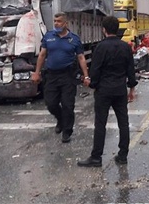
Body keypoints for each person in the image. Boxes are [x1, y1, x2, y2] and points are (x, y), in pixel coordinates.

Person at [78, 16, 137, 167]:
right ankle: (122, 155)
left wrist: (92, 84)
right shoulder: (125, 47)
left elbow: (95, 70)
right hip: (120, 90)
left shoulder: (100, 47)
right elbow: (131, 70)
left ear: (104, 29)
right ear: (117, 29)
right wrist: (131, 88)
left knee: (100, 124)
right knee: (123, 123)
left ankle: (96, 157)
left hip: (103, 90)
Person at [31, 13, 90, 143]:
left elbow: (81, 57)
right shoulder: (48, 37)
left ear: (65, 23)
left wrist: (86, 76)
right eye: (55, 21)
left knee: (68, 105)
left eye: (59, 21)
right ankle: (60, 119)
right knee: (51, 103)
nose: (56, 23)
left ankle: (67, 131)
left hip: (68, 76)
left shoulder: (74, 39)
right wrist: (37, 72)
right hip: (51, 75)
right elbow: (42, 55)